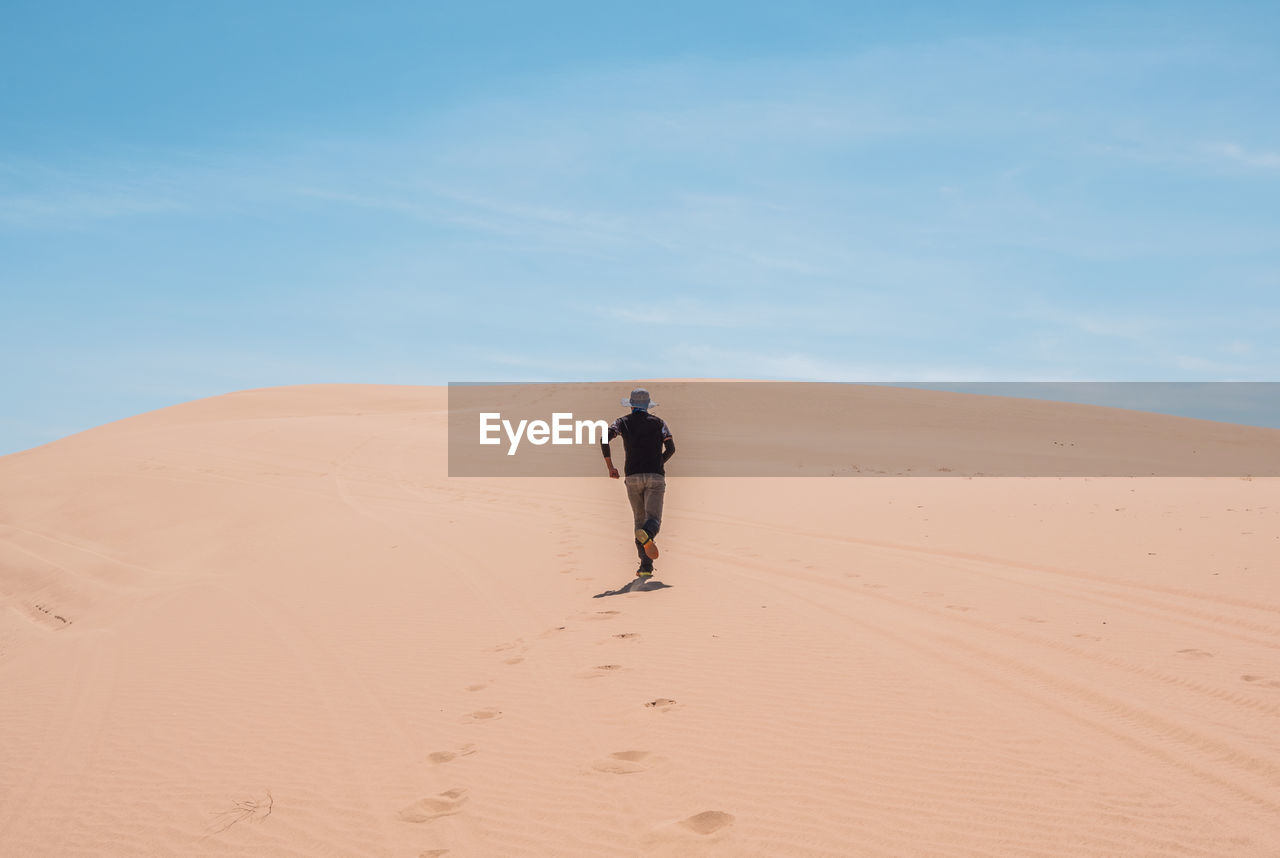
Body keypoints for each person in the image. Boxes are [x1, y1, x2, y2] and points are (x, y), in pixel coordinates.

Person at [601, 388, 675, 578]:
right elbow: (671, 448)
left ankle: (645, 567)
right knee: (653, 521)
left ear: (632, 404)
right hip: (655, 477)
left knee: (639, 521)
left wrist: (611, 467)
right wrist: (658, 462)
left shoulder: (622, 422)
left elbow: (603, 438)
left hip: (632, 477)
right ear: (647, 405)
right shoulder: (659, 423)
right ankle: (646, 537)